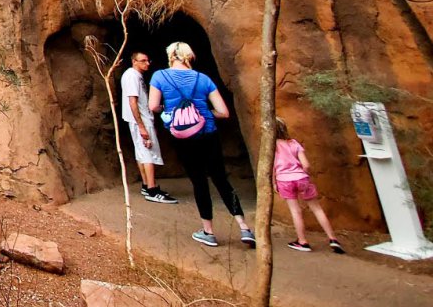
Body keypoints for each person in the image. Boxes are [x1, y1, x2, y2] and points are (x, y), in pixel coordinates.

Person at [148, 41, 254, 249]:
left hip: (183, 135)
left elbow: (153, 106)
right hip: (208, 132)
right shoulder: (203, 79)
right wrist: (204, 113)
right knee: (221, 179)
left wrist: (168, 109)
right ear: (189, 56)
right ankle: (244, 227)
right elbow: (224, 112)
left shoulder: (160, 76)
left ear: (171, 56)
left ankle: (209, 231)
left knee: (199, 182)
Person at [275, 118, 346, 253]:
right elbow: (306, 164)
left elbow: (272, 166)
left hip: (284, 180)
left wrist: (274, 182)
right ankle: (333, 239)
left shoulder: (272, 146)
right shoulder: (294, 143)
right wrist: (304, 175)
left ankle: (302, 241)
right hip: (302, 178)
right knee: (317, 208)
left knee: (296, 211)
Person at [121, 51, 177, 204]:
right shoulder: (132, 76)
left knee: (141, 153)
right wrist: (142, 126)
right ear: (134, 61)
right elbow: (132, 101)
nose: (147, 63)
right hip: (140, 121)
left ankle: (146, 186)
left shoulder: (135, 76)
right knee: (148, 153)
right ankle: (152, 190)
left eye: (148, 60)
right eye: (143, 60)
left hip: (141, 120)